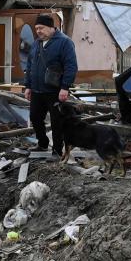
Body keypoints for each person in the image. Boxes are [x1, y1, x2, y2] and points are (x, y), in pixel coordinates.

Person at [23, 13, 78, 155]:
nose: (38, 31)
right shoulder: (36, 43)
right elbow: (30, 65)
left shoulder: (65, 42)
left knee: (56, 122)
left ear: (51, 27)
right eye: (36, 28)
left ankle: (57, 150)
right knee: (35, 117)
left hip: (55, 90)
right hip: (37, 89)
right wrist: (28, 86)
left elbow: (71, 66)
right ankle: (42, 143)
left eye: (41, 28)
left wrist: (65, 87)